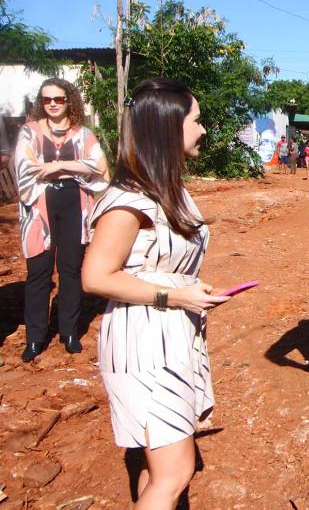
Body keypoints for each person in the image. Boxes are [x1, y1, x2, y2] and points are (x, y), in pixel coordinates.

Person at [81, 78, 230, 508]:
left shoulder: (168, 190)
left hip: (169, 337)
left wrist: (188, 290)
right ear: (169, 127)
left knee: (158, 465)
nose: (203, 130)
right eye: (197, 120)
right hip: (144, 342)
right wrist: (174, 297)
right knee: (176, 470)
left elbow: (163, 268)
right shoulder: (131, 201)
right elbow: (95, 276)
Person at [13, 78, 108, 362]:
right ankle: (35, 337)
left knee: (70, 270)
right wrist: (77, 168)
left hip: (73, 204)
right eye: (46, 100)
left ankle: (69, 332)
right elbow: (27, 168)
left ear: (70, 101)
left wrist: (58, 166)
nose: (53, 104)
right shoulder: (29, 132)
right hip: (38, 206)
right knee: (39, 272)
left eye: (59, 99)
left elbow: (99, 166)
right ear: (40, 103)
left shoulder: (83, 134)